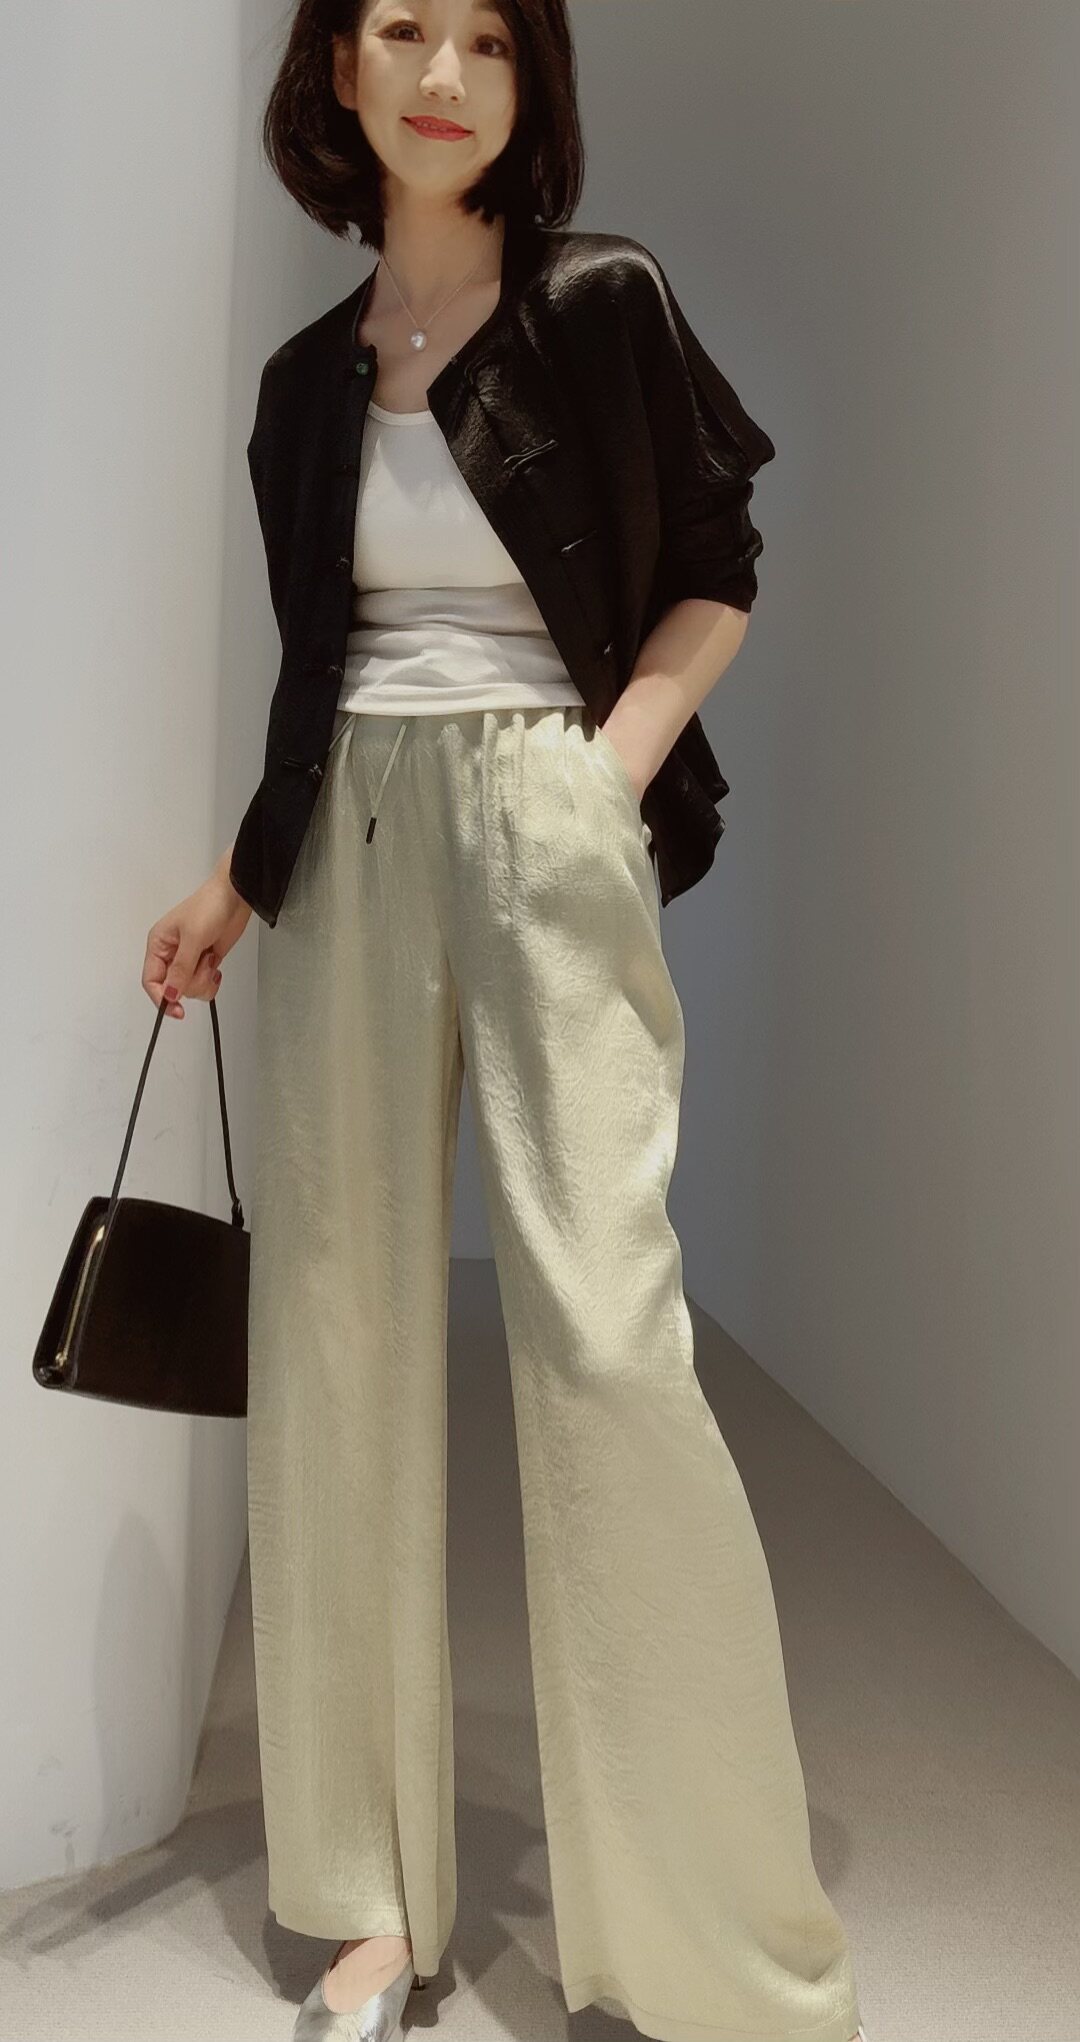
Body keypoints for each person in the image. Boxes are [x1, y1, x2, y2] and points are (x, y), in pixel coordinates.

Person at [141, 4, 866, 2040]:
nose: (445, 72)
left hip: (545, 812)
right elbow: (318, 680)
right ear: (340, 72)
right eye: (403, 28)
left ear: (528, 83)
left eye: (487, 38)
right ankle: (368, 1904)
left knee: (607, 1344)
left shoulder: (599, 301)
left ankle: (703, 1944)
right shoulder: (302, 386)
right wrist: (236, 882)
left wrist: (603, 777)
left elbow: (715, 563)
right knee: (341, 1342)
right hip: (343, 849)